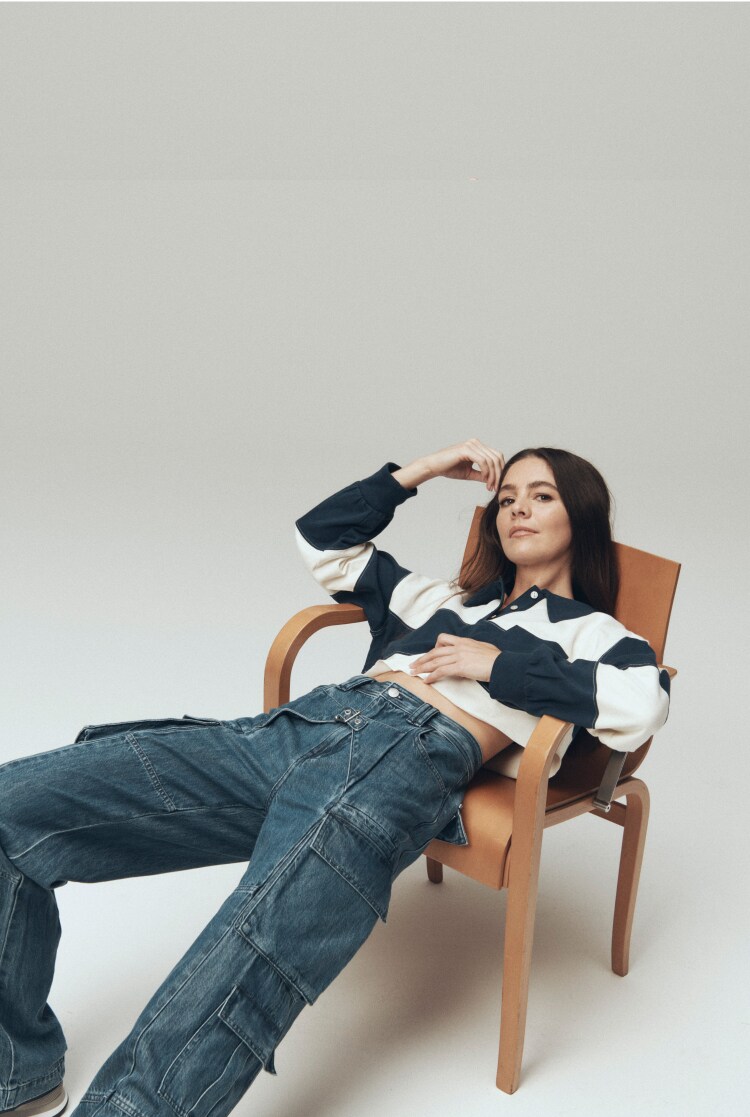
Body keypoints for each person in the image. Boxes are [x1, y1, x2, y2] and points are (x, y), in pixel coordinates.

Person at [0, 439, 670, 1117]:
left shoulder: (594, 633)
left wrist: (494, 664)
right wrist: (424, 470)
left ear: (580, 518)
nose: (518, 508)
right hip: (290, 731)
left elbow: (643, 703)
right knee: (14, 808)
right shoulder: (443, 600)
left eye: (542, 495)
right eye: (506, 498)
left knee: (242, 952)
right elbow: (322, 539)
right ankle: (18, 1072)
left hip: (397, 762)